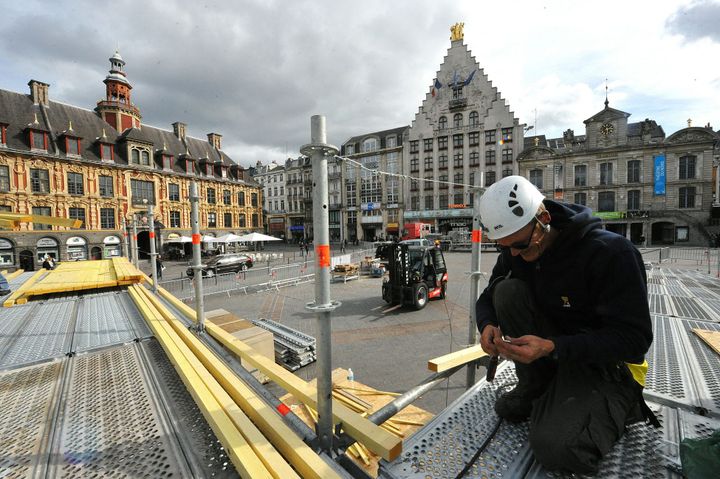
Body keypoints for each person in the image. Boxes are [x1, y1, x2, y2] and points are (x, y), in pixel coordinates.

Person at [475, 176, 657, 474]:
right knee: (506, 291)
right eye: (503, 247)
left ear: (543, 219)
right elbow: (488, 296)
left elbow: (634, 340)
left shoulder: (611, 253)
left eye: (519, 245)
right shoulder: (517, 248)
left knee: (557, 448)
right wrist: (487, 324)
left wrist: (554, 347)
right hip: (557, 353)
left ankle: (621, 406)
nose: (514, 255)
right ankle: (538, 385)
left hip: (609, 368)